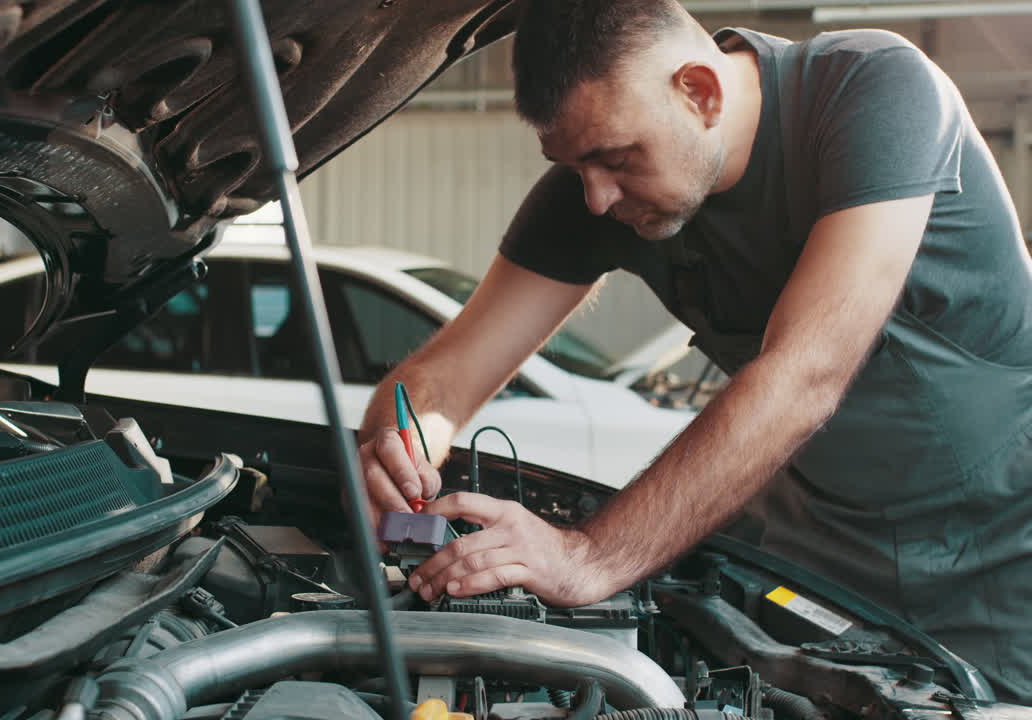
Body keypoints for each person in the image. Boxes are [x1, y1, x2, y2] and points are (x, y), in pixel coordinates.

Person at [356, 0, 1032, 703]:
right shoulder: (599, 189)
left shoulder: (871, 93)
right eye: (574, 165)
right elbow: (446, 373)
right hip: (817, 561)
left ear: (700, 93)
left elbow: (807, 372)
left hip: (1001, 561)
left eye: (615, 160)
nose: (594, 196)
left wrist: (588, 554)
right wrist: (400, 442)